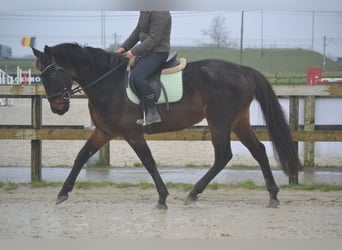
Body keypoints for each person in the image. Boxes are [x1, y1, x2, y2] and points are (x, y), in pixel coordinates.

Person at [116, 11, 172, 125]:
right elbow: (138, 31)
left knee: (138, 77)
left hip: (158, 52)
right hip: (147, 52)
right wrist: (123, 47)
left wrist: (134, 51)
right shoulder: (145, 10)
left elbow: (154, 38)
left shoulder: (160, 12)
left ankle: (152, 112)